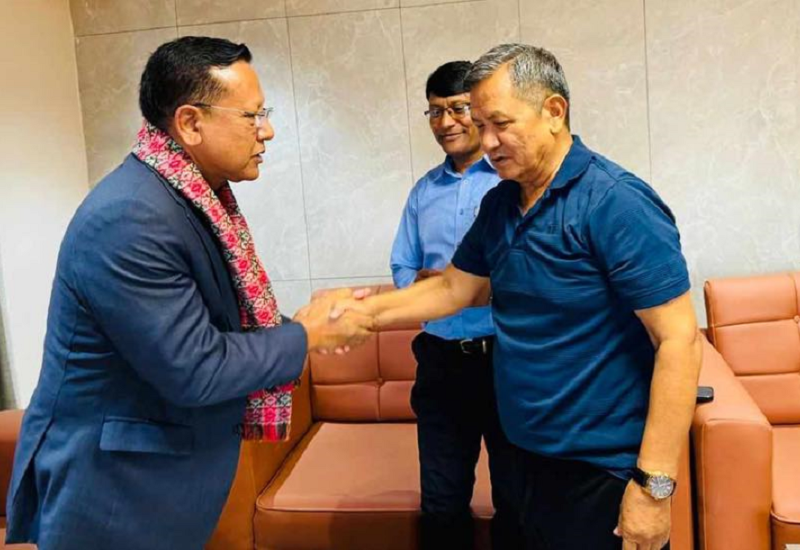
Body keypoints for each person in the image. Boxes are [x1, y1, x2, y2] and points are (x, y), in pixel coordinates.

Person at [5, 36, 371, 550]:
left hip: (157, 485)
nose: (267, 131)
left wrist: (305, 327)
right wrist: (305, 336)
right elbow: (194, 367)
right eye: (252, 115)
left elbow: (215, 326)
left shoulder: (189, 198)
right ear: (190, 123)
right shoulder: (131, 217)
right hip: (114, 495)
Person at [335, 43, 702, 550]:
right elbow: (453, 289)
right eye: (481, 125)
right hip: (523, 458)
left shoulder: (615, 201)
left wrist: (653, 486)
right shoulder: (502, 203)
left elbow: (679, 341)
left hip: (600, 471)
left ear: (554, 111)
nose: (487, 142)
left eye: (501, 124)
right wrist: (355, 312)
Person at [390, 61, 522, 549]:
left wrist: (456, 285)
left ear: (480, 111)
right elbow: (403, 267)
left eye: (458, 109)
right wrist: (432, 287)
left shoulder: (510, 182)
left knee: (517, 498)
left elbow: (525, 273)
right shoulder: (424, 192)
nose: (446, 122)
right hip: (442, 362)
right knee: (442, 503)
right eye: (435, 111)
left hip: (508, 359)